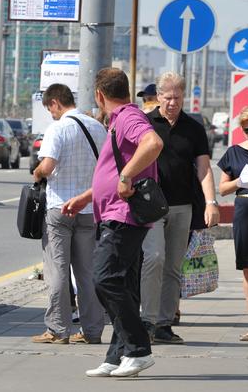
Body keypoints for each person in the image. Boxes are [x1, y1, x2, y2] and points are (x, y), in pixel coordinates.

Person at [62, 67, 163, 378]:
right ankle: (118, 355)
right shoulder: (119, 121)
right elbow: (112, 170)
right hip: (114, 212)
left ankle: (139, 349)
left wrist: (126, 175)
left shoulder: (128, 118)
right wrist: (87, 196)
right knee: (124, 286)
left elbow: (153, 143)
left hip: (124, 215)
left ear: (99, 95)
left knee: (104, 278)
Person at [139, 72, 220, 345]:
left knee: (173, 267)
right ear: (158, 96)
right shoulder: (146, 124)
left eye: (177, 97)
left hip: (183, 206)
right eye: (167, 97)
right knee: (153, 259)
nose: (172, 102)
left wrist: (211, 202)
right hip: (151, 206)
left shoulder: (193, 128)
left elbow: (204, 169)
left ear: (183, 96)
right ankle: (146, 321)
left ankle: (164, 324)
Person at [31, 83, 107, 345]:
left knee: (58, 270)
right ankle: (93, 330)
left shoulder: (58, 128)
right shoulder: (98, 128)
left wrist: (38, 172)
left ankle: (57, 329)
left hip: (60, 208)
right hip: (89, 208)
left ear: (55, 103)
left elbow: (48, 165)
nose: (51, 114)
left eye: (49, 109)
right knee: (87, 272)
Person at [217, 106, 248, 342]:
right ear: (242, 129)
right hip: (246, 212)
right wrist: (241, 180)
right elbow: (223, 188)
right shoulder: (234, 153)